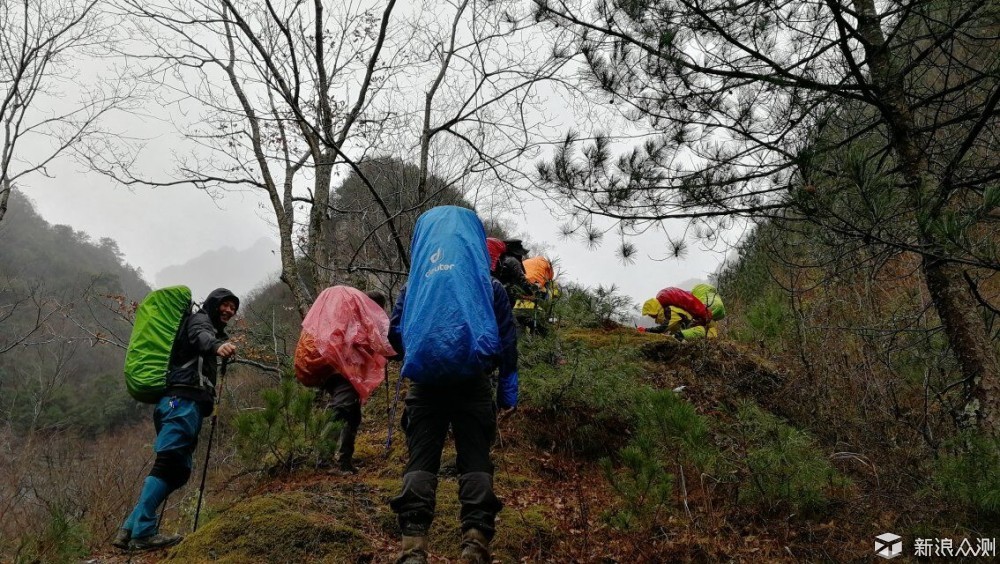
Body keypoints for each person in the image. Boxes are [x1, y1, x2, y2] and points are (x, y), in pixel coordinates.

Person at [388, 207, 518, 564]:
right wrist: (508, 391)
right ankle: (475, 546)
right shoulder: (489, 287)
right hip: (474, 384)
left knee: (421, 462)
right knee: (475, 460)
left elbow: (395, 335)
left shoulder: (413, 286)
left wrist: (419, 354)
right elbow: (507, 344)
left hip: (424, 386)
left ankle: (413, 550)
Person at [113, 288, 239, 551]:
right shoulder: (200, 321)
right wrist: (217, 346)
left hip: (179, 404)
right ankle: (144, 532)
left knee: (179, 471)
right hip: (181, 402)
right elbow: (201, 337)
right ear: (214, 304)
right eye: (225, 305)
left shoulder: (205, 324)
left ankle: (129, 529)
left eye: (233, 307)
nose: (229, 310)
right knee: (168, 462)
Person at [314, 290, 388, 474]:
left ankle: (344, 461)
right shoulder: (357, 320)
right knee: (341, 410)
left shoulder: (352, 317)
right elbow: (357, 344)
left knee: (353, 416)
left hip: (341, 373)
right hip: (344, 373)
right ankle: (324, 460)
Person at [641, 284, 725, 340]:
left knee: (700, 331)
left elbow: (664, 327)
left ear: (654, 310)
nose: (651, 317)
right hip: (698, 324)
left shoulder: (669, 310)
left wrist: (645, 330)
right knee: (710, 333)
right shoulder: (668, 310)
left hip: (697, 326)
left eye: (650, 314)